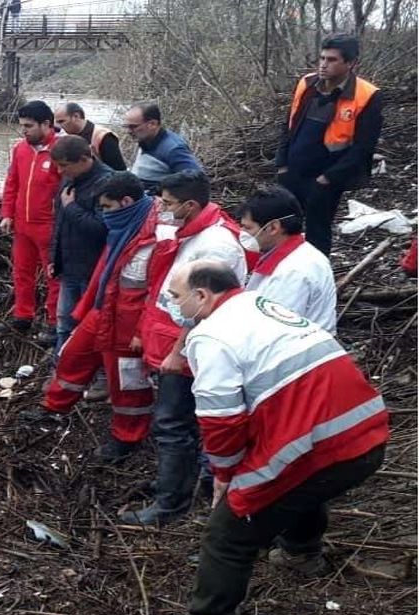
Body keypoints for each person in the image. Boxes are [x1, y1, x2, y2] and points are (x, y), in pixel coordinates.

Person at [152, 262, 388, 615]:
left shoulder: (211, 336)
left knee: (230, 527)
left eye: (176, 297)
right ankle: (301, 553)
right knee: (301, 483)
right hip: (363, 430)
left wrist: (225, 476)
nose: (172, 304)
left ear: (202, 296)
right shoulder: (258, 305)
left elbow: (222, 419)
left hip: (320, 436)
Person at [120, 170, 251, 525]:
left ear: (190, 205)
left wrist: (178, 351)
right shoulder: (190, 233)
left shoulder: (215, 245)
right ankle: (181, 481)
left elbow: (204, 308)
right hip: (173, 342)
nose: (161, 209)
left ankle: (171, 503)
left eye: (167, 203)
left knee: (173, 423)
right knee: (181, 423)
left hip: (189, 351)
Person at [38, 171, 159, 461]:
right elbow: (106, 272)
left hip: (130, 325)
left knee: (128, 384)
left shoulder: (154, 236)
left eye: (107, 207)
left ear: (126, 201)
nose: (104, 215)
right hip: (106, 310)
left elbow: (159, 292)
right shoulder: (126, 226)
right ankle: (55, 406)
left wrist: (143, 333)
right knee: (74, 356)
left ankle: (127, 438)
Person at [275, 34, 382, 256]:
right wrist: (282, 164)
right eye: (322, 58)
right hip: (293, 172)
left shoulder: (366, 95)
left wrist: (328, 179)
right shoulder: (307, 83)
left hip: (325, 179)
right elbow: (289, 124)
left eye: (332, 60)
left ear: (351, 63)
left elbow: (363, 148)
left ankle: (318, 281)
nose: (323, 64)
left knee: (318, 233)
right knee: (282, 228)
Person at [0, 100, 61, 344]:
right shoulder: (20, 149)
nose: (24, 131)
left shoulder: (61, 150)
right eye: (22, 126)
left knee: (53, 275)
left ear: (47, 124)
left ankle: (55, 321)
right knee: (21, 271)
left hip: (49, 226)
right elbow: (12, 183)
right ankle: (23, 315)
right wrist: (7, 214)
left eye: (29, 126)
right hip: (22, 225)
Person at [236, 186, 337, 331]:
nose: (242, 233)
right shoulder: (285, 256)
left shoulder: (295, 271)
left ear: (273, 228)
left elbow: (273, 328)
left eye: (248, 228)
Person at [49, 135, 113, 353]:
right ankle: (61, 369)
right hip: (68, 267)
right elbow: (59, 222)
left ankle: (89, 376)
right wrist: (54, 258)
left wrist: (72, 208)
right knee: (64, 324)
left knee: (89, 325)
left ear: (85, 159)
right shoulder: (69, 179)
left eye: (64, 165)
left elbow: (102, 229)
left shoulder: (107, 183)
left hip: (92, 271)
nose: (60, 171)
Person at [123, 102, 204, 193]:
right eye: (126, 126)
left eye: (133, 127)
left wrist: (160, 194)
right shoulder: (145, 140)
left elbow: (197, 182)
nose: (128, 131)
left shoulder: (173, 148)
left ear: (153, 124)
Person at [54, 102, 125, 171]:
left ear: (76, 116)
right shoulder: (65, 137)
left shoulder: (103, 136)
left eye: (62, 121)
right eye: (57, 122)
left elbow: (119, 170)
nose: (59, 126)